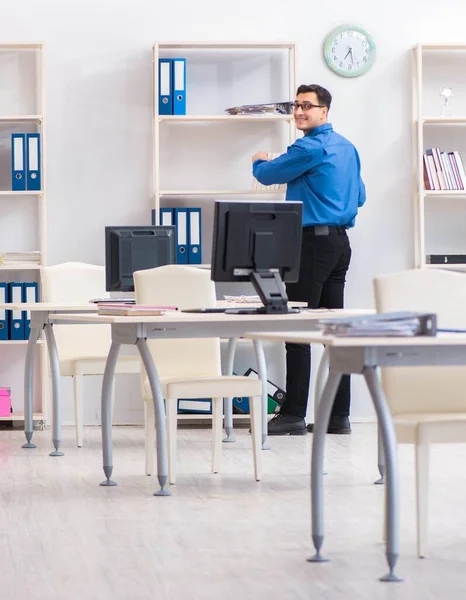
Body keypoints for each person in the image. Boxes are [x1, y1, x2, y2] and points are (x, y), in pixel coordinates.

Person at [252, 84, 366, 436]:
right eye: (296, 105)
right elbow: (359, 197)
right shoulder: (347, 148)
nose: (300, 111)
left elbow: (267, 175)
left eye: (307, 106)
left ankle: (293, 414)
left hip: (312, 245)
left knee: (297, 330)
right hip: (339, 245)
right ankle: (337, 416)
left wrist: (260, 161)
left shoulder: (308, 146)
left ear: (324, 112)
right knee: (335, 332)